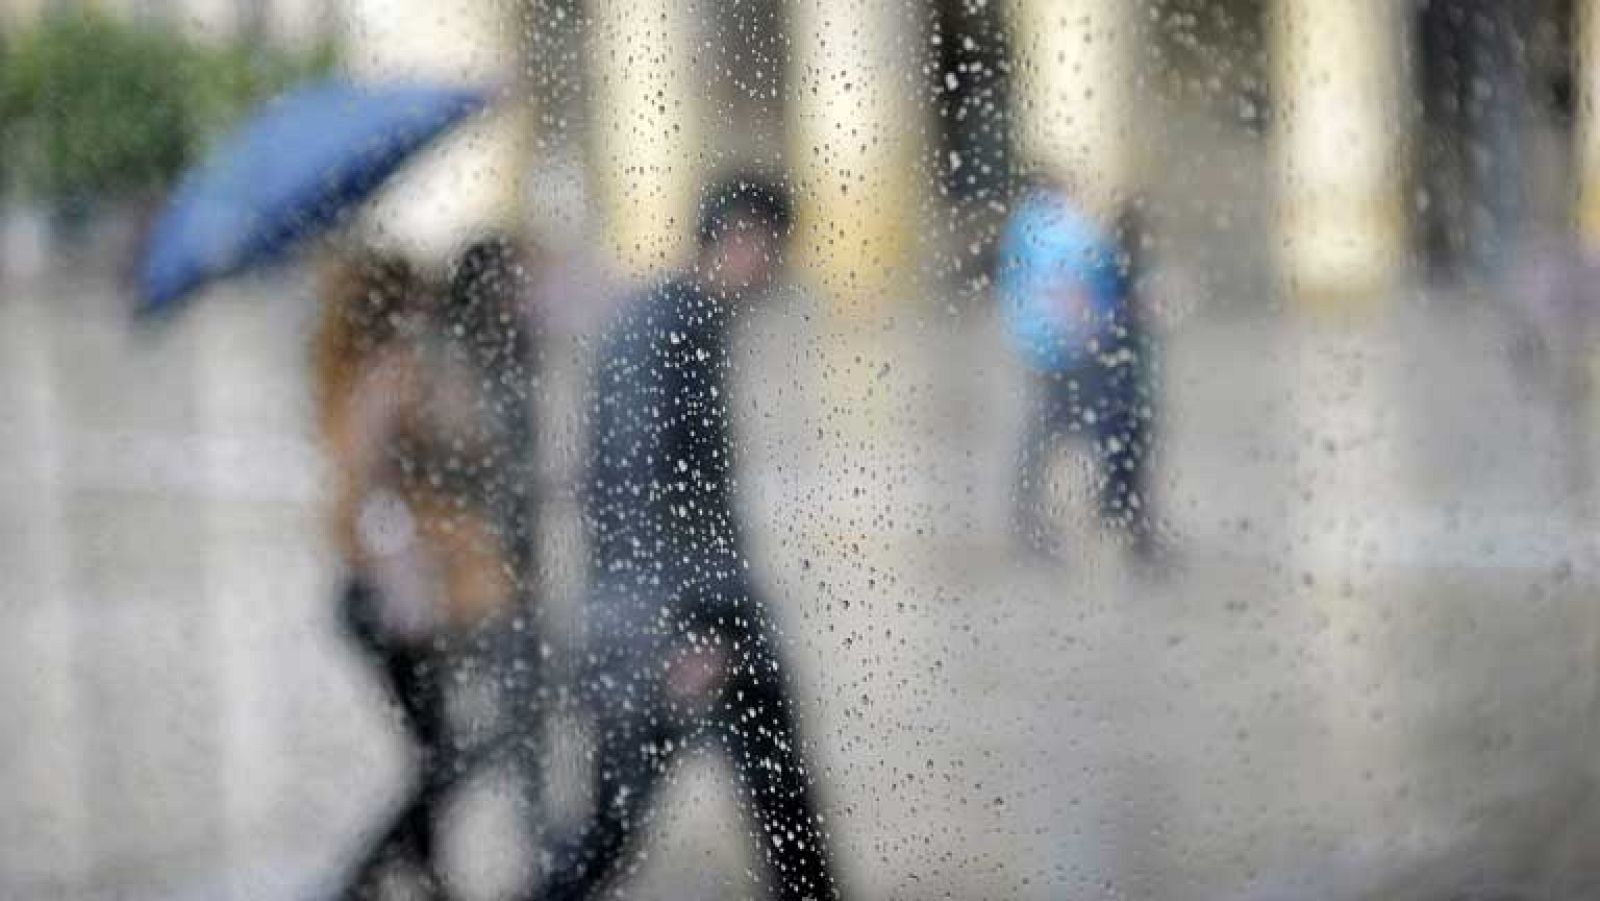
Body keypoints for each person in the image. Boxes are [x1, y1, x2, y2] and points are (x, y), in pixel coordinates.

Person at [521, 175, 842, 901]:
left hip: (701, 610)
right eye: (773, 247)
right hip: (676, 621)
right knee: (615, 826)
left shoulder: (693, 318)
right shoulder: (664, 327)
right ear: (738, 237)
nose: (778, 267)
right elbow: (637, 486)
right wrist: (682, 632)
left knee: (781, 807)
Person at [316, 244, 533, 900]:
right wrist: (404, 564)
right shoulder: (392, 374)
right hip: (400, 597)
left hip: (400, 592)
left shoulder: (368, 370)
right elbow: (358, 492)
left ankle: (425, 874)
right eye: (412, 294)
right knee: (449, 752)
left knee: (439, 748)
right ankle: (362, 877)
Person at [997, 176, 1163, 566]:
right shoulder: (1066, 228)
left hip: (1040, 342)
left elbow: (1018, 285)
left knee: (1048, 432)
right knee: (1096, 431)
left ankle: (1036, 517)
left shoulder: (1024, 225)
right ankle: (1117, 517)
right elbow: (1082, 286)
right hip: (1074, 345)